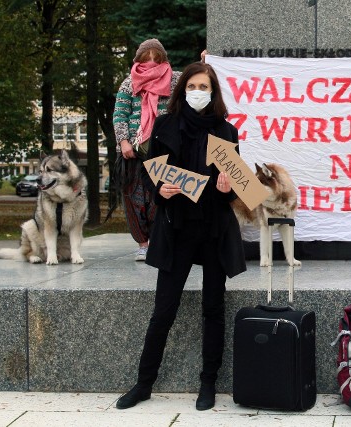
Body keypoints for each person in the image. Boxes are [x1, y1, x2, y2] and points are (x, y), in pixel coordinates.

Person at [116, 61, 246, 411]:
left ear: (214, 92)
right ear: (182, 90)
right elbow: (152, 178)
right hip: (177, 228)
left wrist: (226, 186)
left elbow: (235, 187)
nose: (198, 93)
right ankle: (144, 384)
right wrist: (164, 190)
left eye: (205, 87)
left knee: (213, 307)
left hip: (213, 229)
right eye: (192, 86)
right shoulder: (164, 124)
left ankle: (208, 383)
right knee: (164, 309)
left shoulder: (226, 131)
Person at [113, 39, 182, 261]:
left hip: (164, 150)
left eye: (157, 58)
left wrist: (205, 61)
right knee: (134, 198)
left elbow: (199, 79)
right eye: (147, 58)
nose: (151, 62)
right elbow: (120, 114)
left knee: (160, 196)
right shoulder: (128, 83)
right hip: (133, 151)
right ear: (139, 59)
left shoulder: (175, 79)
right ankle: (142, 243)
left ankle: (159, 240)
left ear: (163, 59)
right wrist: (123, 141)